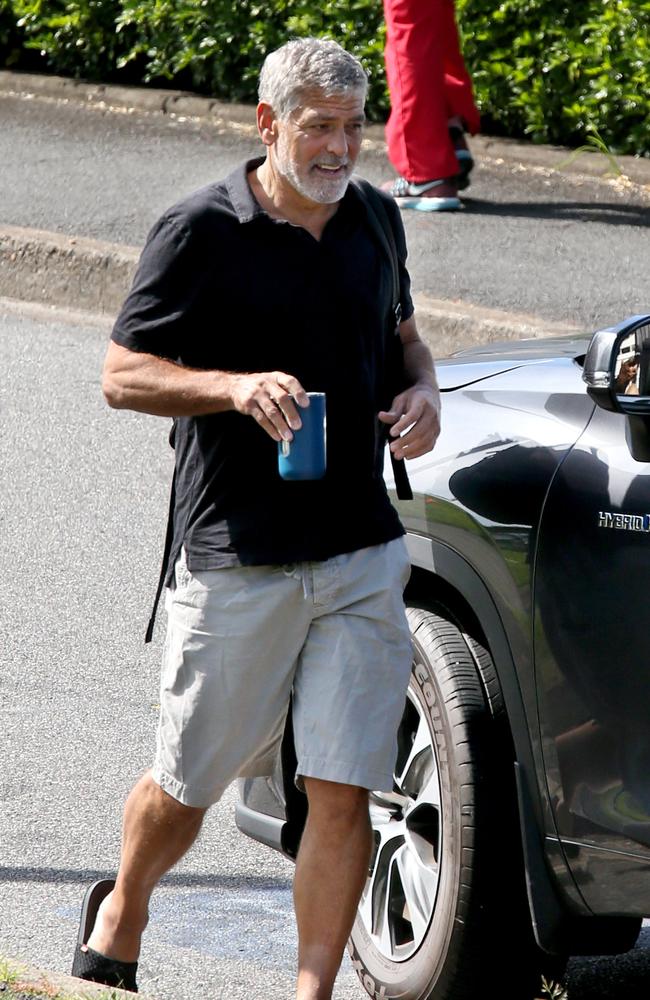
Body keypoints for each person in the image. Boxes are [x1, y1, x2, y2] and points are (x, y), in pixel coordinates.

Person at [71, 37, 441, 1000]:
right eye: (319, 126)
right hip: (240, 553)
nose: (340, 147)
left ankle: (310, 991)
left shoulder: (374, 220)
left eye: (356, 126)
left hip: (361, 548)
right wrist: (234, 389)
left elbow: (406, 336)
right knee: (189, 782)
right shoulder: (200, 229)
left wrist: (426, 393)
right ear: (269, 124)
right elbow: (121, 376)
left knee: (342, 783)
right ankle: (125, 907)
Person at [382, 0, 481, 211]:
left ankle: (426, 173)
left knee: (409, 26)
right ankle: (447, 135)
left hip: (427, 169)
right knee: (431, 17)